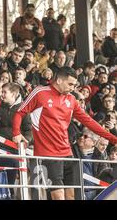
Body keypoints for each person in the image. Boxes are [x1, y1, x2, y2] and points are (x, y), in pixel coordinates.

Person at [12, 67, 117, 200]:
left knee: (73, 195)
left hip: (67, 153)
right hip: (48, 154)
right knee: (58, 196)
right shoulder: (40, 92)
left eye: (74, 85)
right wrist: (16, 132)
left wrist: (114, 139)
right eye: (70, 84)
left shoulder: (71, 99)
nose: (73, 88)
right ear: (59, 80)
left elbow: (89, 121)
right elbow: (19, 112)